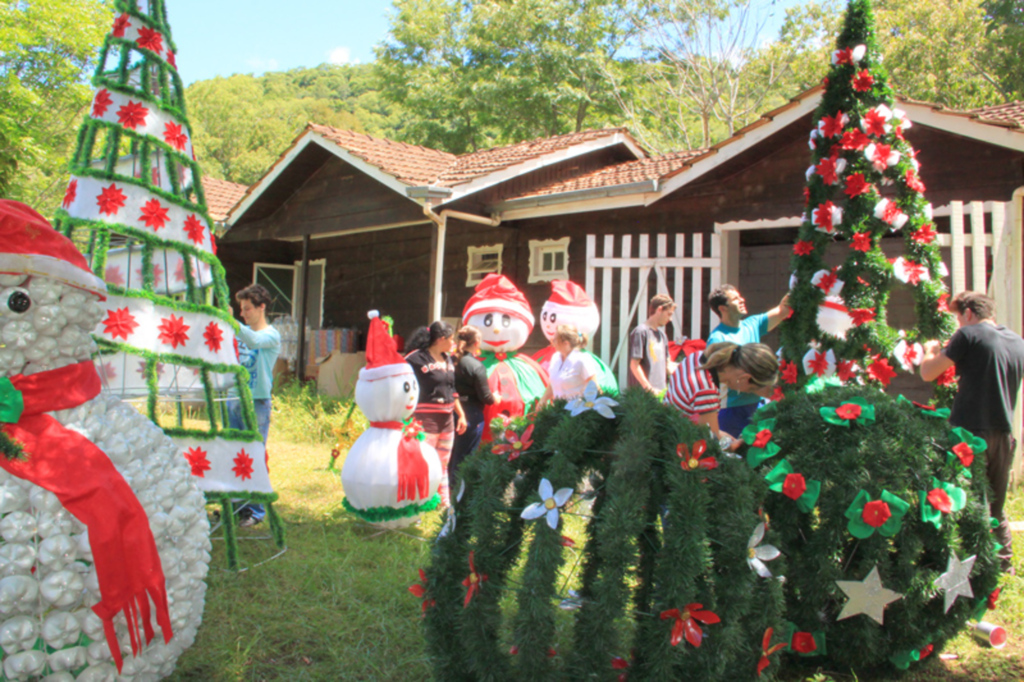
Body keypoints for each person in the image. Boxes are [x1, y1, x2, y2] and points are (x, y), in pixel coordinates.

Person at [920, 291, 1024, 574]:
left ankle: (965, 567)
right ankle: (1002, 566)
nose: (959, 325)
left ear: (968, 313)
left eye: (958, 318)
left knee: (964, 500)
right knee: (996, 506)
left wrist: (930, 350)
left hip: (969, 435)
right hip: (1003, 433)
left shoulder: (968, 335)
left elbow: (928, 372)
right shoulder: (1017, 342)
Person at [229, 284, 281, 527]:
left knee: (253, 456)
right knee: (233, 454)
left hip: (257, 402)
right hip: (233, 398)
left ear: (262, 307)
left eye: (247, 308)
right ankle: (237, 505)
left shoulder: (271, 335)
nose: (243, 314)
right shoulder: (241, 332)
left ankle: (256, 510)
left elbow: (253, 340)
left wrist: (230, 321)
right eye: (240, 309)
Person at [706, 285, 791, 435]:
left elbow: (782, 311)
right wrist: (761, 387)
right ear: (722, 308)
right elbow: (721, 377)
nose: (742, 300)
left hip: (758, 405)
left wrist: (800, 285)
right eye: (735, 299)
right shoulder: (718, 339)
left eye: (740, 296)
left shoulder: (752, 324)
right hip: (733, 411)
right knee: (735, 449)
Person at [664, 342, 779, 450]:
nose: (748, 392)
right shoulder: (706, 390)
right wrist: (738, 446)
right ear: (744, 378)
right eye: (751, 389)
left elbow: (709, 430)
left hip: (667, 426)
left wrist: (727, 439)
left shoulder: (698, 357)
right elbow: (708, 441)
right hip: (674, 445)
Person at [406, 321, 467, 507]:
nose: (454, 343)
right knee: (423, 462)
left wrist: (461, 415)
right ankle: (417, 502)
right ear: (441, 339)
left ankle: (443, 502)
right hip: (425, 419)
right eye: (451, 339)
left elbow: (452, 390)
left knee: (442, 462)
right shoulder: (415, 359)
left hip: (447, 420)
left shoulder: (447, 359)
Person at [449, 325, 499, 484]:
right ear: (477, 342)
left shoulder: (450, 361)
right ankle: (459, 490)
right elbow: (486, 397)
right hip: (470, 413)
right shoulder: (476, 366)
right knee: (466, 456)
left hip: (450, 410)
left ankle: (447, 490)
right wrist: (496, 398)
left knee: (450, 454)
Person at [540, 324, 599, 404]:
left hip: (578, 408)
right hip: (559, 408)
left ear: (566, 343)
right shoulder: (555, 357)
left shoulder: (582, 360)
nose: (552, 342)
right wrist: (543, 400)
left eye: (555, 340)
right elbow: (554, 382)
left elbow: (594, 387)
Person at [629, 294, 675, 393]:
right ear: (659, 310)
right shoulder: (640, 332)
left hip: (661, 392)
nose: (670, 319)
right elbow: (634, 365)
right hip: (644, 396)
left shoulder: (662, 335)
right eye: (669, 314)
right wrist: (649, 389)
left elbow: (667, 364)